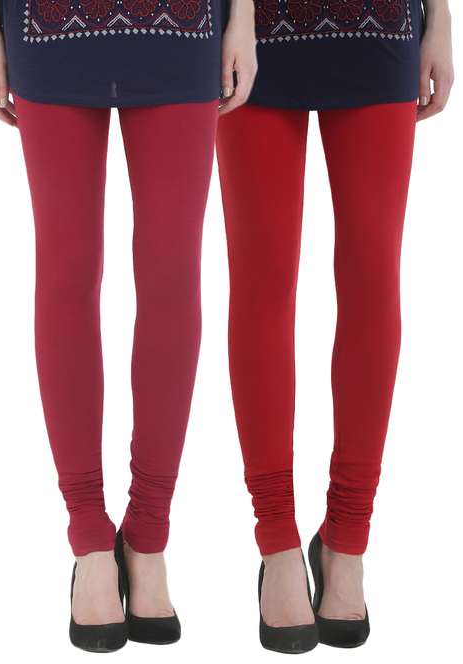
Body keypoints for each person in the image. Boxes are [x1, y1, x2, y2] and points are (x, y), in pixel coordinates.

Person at [0, 0, 257, 652]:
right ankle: (88, 537)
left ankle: (149, 531)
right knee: (66, 271)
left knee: (172, 273)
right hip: (46, 25)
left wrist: (242, 17)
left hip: (183, 25)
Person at [216, 0, 453, 653]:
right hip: (251, 28)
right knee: (262, 281)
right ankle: (277, 540)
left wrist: (441, 20)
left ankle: (348, 537)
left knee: (373, 276)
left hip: (379, 22)